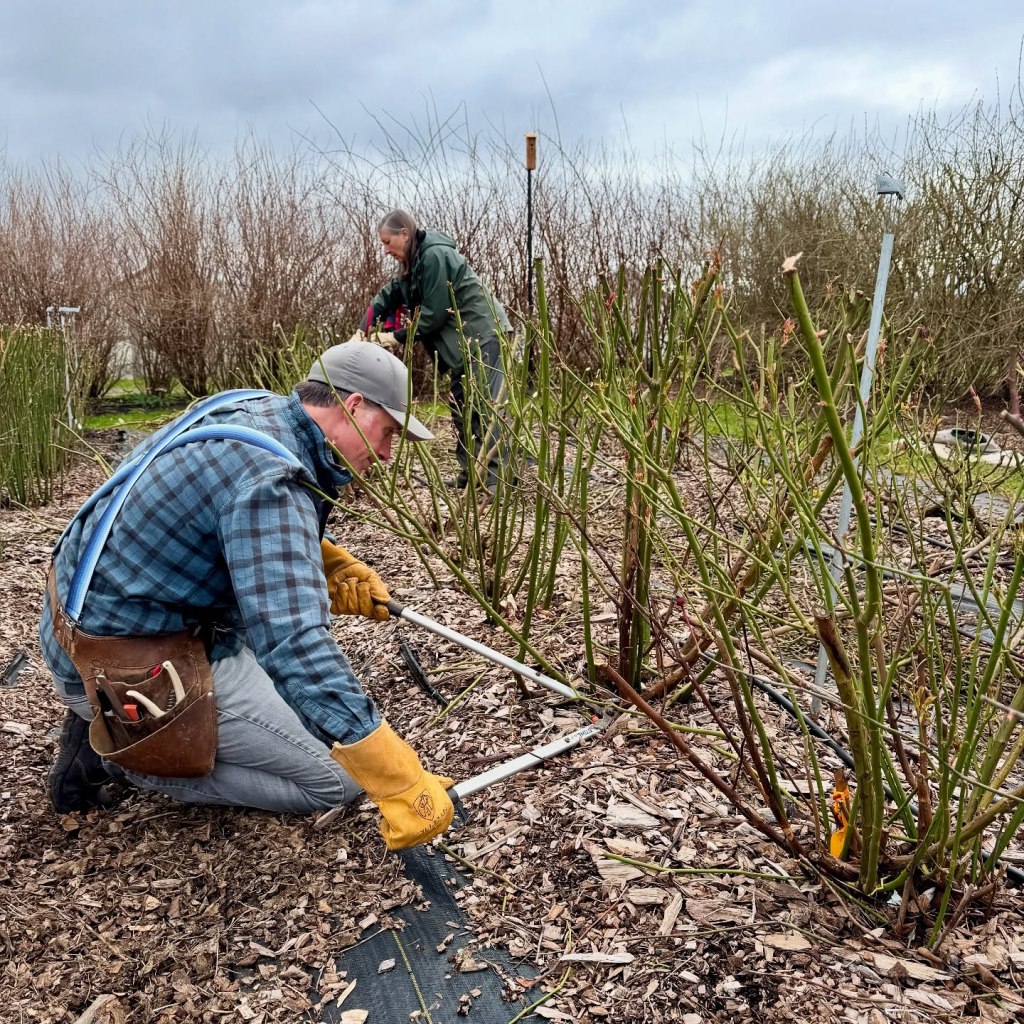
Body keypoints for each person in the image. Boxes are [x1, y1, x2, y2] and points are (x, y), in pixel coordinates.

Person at [40, 341, 455, 851]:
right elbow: (296, 647)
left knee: (304, 696)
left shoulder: (252, 410)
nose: (388, 454)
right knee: (338, 779)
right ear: (352, 407)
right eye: (388, 432)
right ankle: (128, 759)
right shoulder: (270, 481)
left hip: (80, 619)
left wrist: (315, 559)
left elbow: (201, 509)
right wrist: (395, 778)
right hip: (122, 664)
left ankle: (106, 718)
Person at [368, 209, 514, 491]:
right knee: (462, 407)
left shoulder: (434, 256)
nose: (385, 250)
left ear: (404, 234)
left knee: (485, 408)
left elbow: (432, 315)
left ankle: (496, 482)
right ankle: (471, 476)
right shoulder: (417, 264)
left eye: (387, 242)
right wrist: (365, 326)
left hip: (483, 335)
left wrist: (392, 338)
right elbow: (393, 293)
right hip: (464, 346)